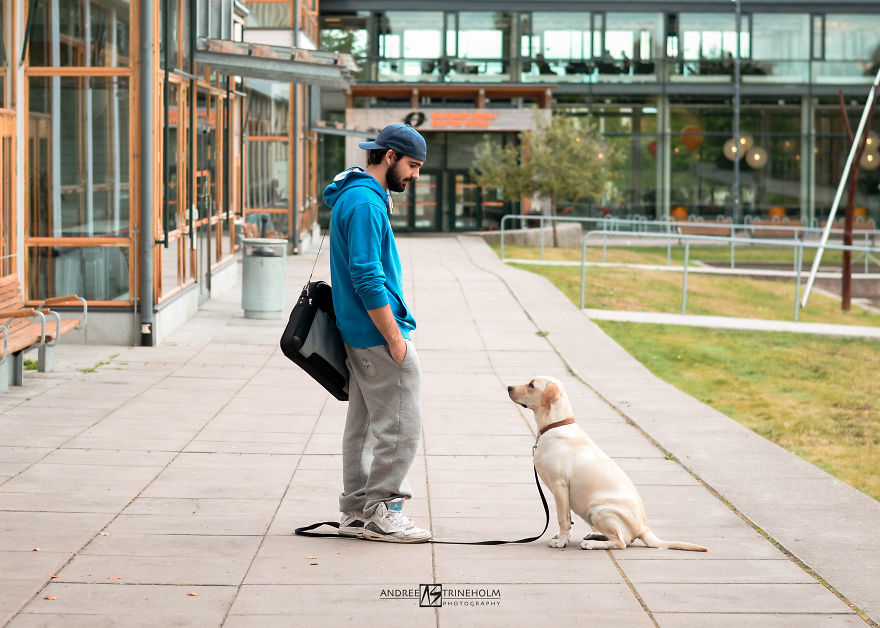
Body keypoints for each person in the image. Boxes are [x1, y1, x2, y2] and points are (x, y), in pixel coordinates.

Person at [322, 123, 431, 543]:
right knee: (402, 424)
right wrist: (395, 339)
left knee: (364, 425)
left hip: (356, 330)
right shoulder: (366, 204)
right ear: (389, 157)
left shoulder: (352, 195)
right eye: (412, 165)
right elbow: (367, 277)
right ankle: (384, 508)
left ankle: (355, 510)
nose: (415, 175)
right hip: (376, 332)